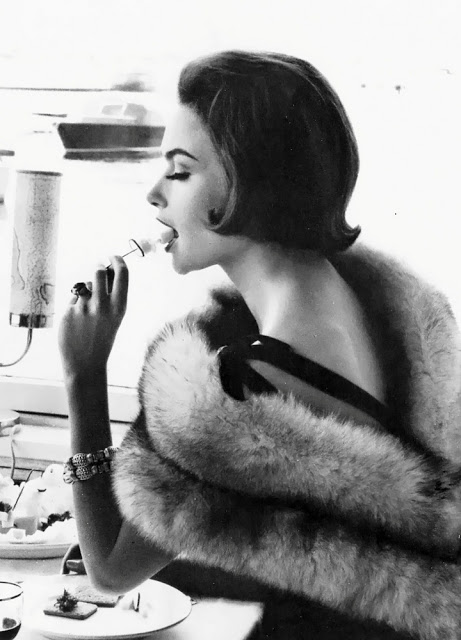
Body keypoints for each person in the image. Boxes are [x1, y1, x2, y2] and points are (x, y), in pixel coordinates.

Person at [58, 51, 461, 640]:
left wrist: (83, 373)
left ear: (246, 184)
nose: (153, 194)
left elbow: (112, 570)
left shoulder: (242, 390)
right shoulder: (373, 308)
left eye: (180, 172)